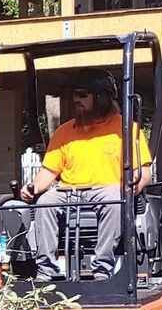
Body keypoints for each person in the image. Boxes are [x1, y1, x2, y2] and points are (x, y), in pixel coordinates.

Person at [18, 71, 153, 281]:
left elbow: (144, 172)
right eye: (74, 95)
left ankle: (102, 269)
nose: (76, 100)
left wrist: (133, 185)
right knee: (45, 202)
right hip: (68, 191)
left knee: (114, 200)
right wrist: (32, 188)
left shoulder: (126, 129)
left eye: (82, 95)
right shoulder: (64, 132)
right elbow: (50, 171)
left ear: (101, 97)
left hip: (108, 189)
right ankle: (46, 270)